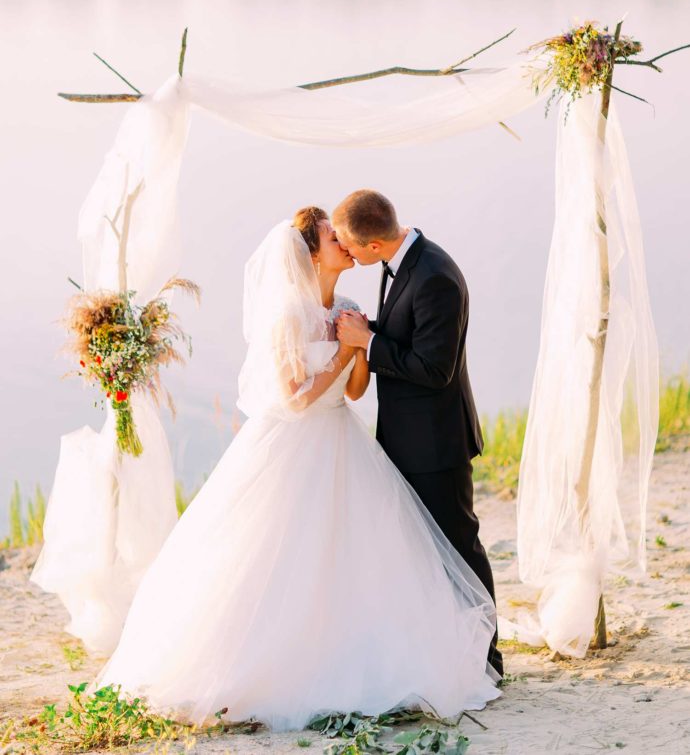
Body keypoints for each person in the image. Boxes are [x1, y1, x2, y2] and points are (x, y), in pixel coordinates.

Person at [94, 208, 500, 729]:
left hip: (342, 436)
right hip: (294, 442)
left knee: (358, 554)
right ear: (311, 253)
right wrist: (342, 351)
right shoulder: (288, 315)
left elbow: (354, 391)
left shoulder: (350, 305)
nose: (344, 243)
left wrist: (358, 351)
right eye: (334, 237)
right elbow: (294, 397)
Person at [333, 190, 503, 679]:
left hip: (436, 443)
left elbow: (435, 369)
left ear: (370, 244)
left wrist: (367, 341)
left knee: (460, 547)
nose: (347, 252)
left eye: (348, 244)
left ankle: (488, 659)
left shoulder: (435, 277)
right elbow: (407, 333)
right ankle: (448, 649)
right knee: (426, 551)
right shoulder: (404, 262)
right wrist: (367, 326)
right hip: (409, 439)